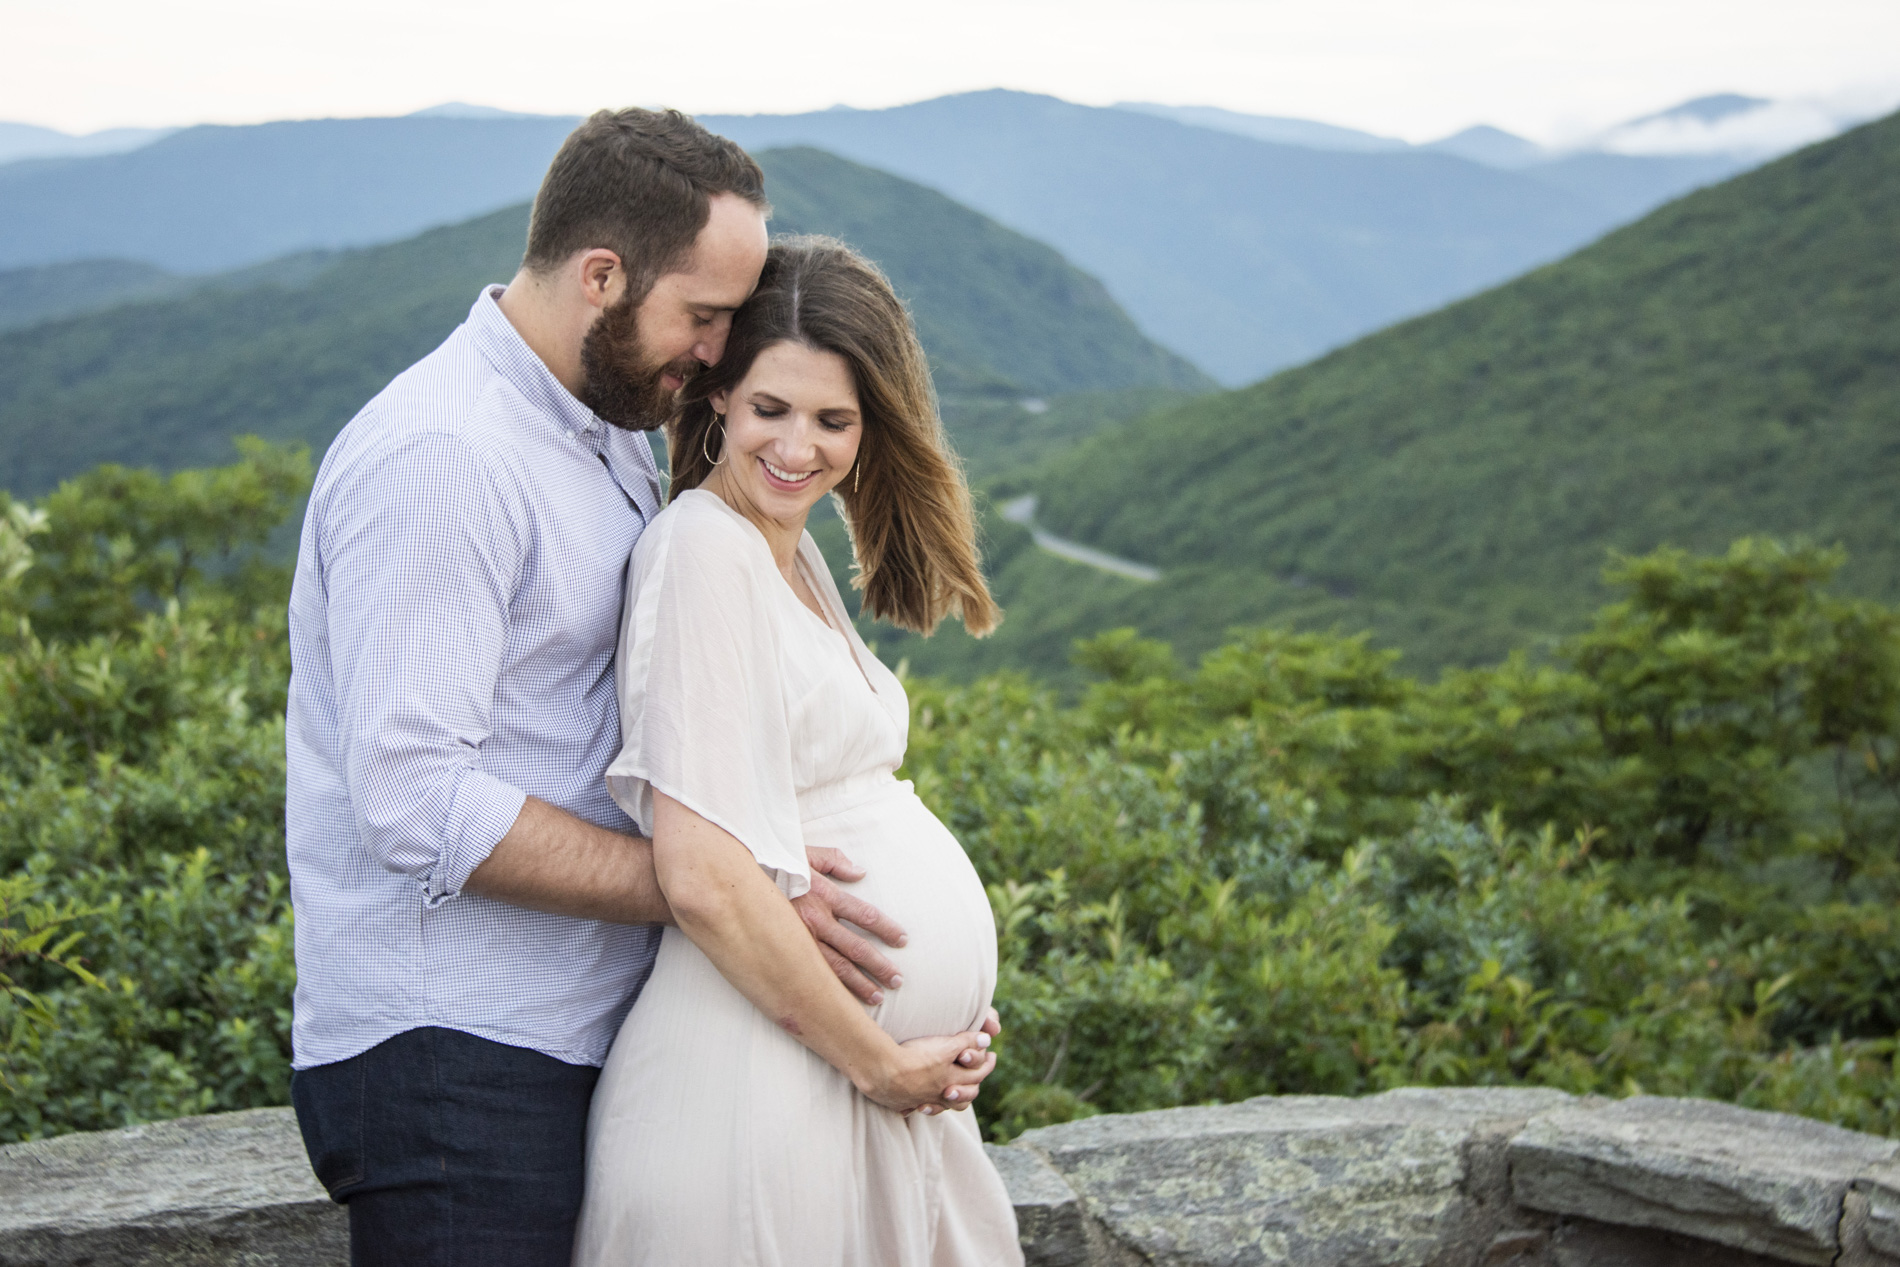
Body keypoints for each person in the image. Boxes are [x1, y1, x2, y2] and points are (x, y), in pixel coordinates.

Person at [283, 110, 992, 1267]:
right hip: (459, 1051)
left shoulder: (603, 428)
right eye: (703, 316)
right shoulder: (447, 455)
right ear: (601, 275)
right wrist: (730, 892)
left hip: (569, 1031)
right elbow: (415, 799)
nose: (717, 352)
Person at [572, 236, 1024, 1266]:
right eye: (770, 408)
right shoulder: (701, 551)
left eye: (834, 420)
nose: (797, 446)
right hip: (757, 1087)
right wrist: (878, 1060)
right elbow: (705, 880)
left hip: (834, 1084)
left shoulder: (795, 553)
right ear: (720, 397)